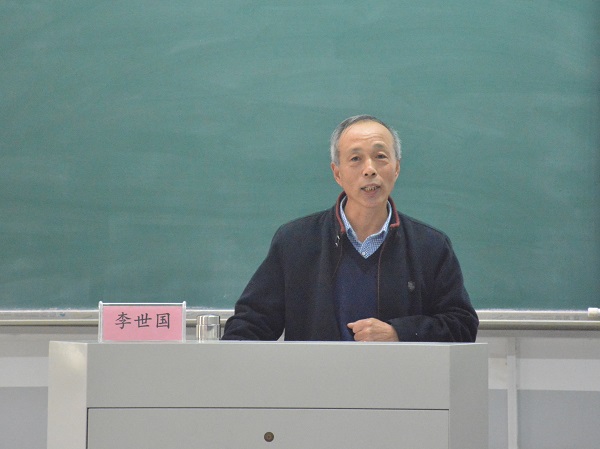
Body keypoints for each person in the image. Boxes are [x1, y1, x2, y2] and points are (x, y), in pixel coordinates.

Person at [222, 115, 478, 342]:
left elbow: (462, 325)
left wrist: (399, 333)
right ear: (337, 173)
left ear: (397, 167)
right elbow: (252, 323)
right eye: (355, 159)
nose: (370, 170)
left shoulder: (430, 246)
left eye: (380, 157)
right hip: (315, 380)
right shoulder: (295, 242)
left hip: (398, 381)